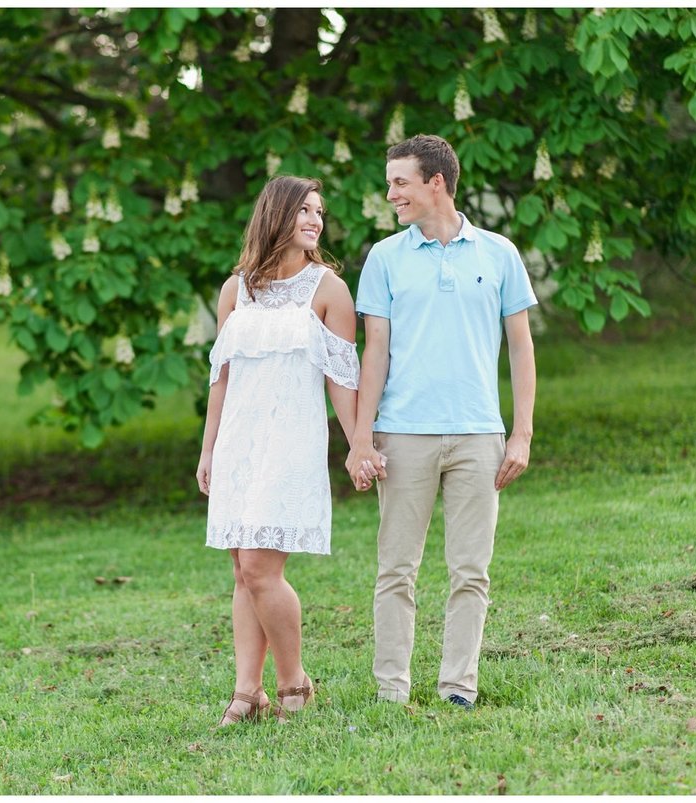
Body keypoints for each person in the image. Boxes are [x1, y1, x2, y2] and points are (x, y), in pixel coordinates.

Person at [346, 134, 538, 710]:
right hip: (403, 435)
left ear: (436, 183)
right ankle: (392, 692)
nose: (390, 194)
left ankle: (459, 687)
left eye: (399, 182)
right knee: (396, 570)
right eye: (389, 183)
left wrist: (522, 432)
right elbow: (373, 351)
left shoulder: (499, 253)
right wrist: (361, 436)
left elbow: (522, 348)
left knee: (471, 571)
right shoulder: (384, 258)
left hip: (480, 435)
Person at [197, 175, 361, 726]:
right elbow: (221, 376)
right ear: (276, 216)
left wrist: (357, 443)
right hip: (239, 442)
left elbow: (343, 377)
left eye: (319, 212)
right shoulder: (235, 289)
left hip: (290, 442)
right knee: (242, 571)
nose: (315, 220)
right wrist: (209, 450)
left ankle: (294, 683)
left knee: (263, 568)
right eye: (304, 211)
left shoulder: (329, 291)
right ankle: (248, 693)